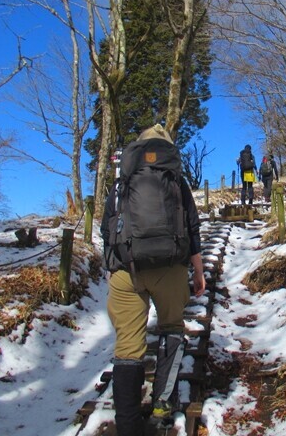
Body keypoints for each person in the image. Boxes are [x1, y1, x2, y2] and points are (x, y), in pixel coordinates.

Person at [100, 124, 205, 436]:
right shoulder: (176, 179)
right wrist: (197, 271)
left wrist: (113, 265)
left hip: (126, 270)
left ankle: (129, 425)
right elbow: (192, 226)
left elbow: (108, 228)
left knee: (128, 347)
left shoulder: (122, 182)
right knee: (172, 328)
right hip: (171, 268)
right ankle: (162, 404)